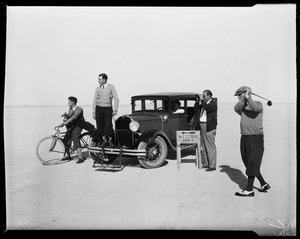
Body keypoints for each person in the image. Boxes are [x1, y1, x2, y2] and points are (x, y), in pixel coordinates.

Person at [234, 86, 271, 197]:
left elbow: (255, 109)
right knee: (248, 162)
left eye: (239, 95)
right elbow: (236, 109)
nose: (238, 98)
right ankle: (263, 184)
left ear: (246, 93)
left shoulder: (258, 104)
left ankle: (249, 189)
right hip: (245, 137)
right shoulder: (243, 106)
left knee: (252, 163)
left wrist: (248, 97)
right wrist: (243, 99)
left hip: (256, 138)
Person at [93, 73, 119, 147]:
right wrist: (93, 112)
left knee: (108, 126)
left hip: (108, 108)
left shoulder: (111, 87)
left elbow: (116, 99)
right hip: (98, 109)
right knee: (100, 126)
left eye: (100, 79)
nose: (98, 81)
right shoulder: (97, 89)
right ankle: (104, 140)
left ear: (104, 80)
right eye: (98, 79)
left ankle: (110, 140)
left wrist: (115, 109)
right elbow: (94, 101)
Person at [194, 90, 218, 171]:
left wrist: (201, 100)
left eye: (204, 96)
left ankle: (212, 165)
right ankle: (206, 163)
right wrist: (198, 101)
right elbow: (195, 108)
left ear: (209, 96)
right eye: (203, 96)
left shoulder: (213, 104)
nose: (203, 97)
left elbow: (207, 108)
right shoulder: (203, 104)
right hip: (202, 125)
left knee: (210, 145)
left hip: (209, 126)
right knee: (203, 145)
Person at [58, 96, 87, 164]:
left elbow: (74, 117)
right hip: (72, 125)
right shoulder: (70, 109)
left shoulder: (79, 109)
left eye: (69, 101)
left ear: (73, 102)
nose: (68, 103)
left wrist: (66, 122)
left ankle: (81, 157)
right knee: (66, 139)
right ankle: (68, 156)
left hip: (78, 126)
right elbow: (70, 116)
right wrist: (66, 116)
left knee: (75, 138)